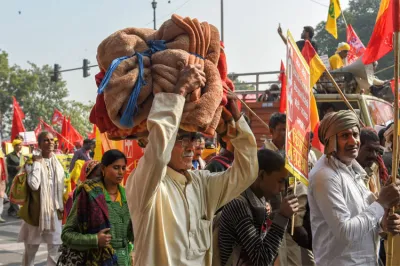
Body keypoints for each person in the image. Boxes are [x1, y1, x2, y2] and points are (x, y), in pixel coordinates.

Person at [125, 64, 258, 266]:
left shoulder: (202, 184)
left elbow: (247, 172)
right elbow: (159, 154)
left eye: (192, 138)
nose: (190, 146)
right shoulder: (147, 184)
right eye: (180, 139)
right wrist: (179, 91)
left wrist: (236, 122)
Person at [308, 110, 400, 266]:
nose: (353, 142)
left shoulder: (351, 169)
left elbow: (364, 220)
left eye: (355, 135)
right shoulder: (325, 176)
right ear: (330, 141)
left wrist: (384, 224)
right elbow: (346, 232)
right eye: (345, 136)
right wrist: (381, 203)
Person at [216, 149, 298, 266]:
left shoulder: (260, 201)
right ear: (261, 175)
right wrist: (282, 217)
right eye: (279, 181)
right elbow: (261, 260)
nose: (282, 188)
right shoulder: (239, 205)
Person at [59, 150, 133, 266]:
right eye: (116, 167)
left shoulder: (128, 195)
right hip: (97, 261)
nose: (120, 172)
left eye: (123, 168)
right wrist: (95, 240)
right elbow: (66, 234)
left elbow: (132, 235)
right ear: (103, 169)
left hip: (125, 260)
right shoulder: (89, 194)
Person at [18, 131, 65, 266]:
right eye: (46, 140)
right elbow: (34, 185)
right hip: (36, 213)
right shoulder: (32, 162)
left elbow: (61, 188)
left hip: (54, 213)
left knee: (55, 249)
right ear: (39, 144)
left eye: (52, 140)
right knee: (31, 250)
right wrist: (38, 164)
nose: (50, 143)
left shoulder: (57, 163)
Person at [356, 128, 388, 194]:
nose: (373, 155)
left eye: (376, 151)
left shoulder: (373, 169)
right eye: (369, 150)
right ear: (357, 148)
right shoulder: (348, 174)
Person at [6, 138, 24, 217]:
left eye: (21, 145)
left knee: (18, 194)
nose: (20, 147)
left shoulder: (22, 155)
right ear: (14, 146)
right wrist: (15, 167)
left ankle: (11, 210)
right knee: (13, 193)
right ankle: (18, 212)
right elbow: (6, 166)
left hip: (20, 177)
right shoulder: (9, 156)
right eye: (18, 145)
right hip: (12, 177)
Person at [0, 149, 7, 223]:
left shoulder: (1, 154)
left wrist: (6, 177)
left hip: (1, 180)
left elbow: (4, 166)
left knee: (1, 198)